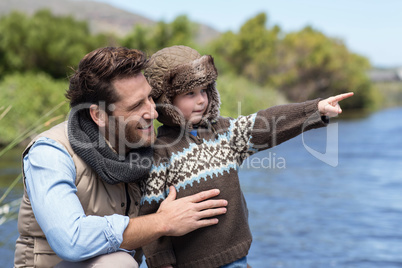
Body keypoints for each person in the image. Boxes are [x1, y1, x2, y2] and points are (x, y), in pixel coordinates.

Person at [139, 45, 354, 268]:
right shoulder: (159, 153)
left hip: (238, 257)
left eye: (204, 90)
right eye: (190, 94)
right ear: (165, 100)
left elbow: (267, 123)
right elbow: (151, 216)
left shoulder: (224, 133)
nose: (201, 100)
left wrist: (314, 109)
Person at [13, 47, 228, 268]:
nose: (153, 113)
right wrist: (162, 222)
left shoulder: (151, 150)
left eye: (150, 98)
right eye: (137, 106)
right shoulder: (50, 153)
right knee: (117, 263)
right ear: (99, 115)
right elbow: (72, 240)